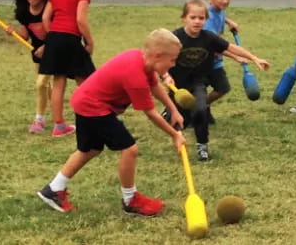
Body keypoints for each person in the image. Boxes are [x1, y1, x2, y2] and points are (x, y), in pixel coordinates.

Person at [37, 28, 186, 216]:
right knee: (130, 148)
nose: (173, 64)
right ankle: (130, 199)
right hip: (93, 106)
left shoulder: (140, 60)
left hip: (84, 101)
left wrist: (173, 109)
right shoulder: (136, 76)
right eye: (172, 60)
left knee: (89, 149)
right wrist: (175, 135)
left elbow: (155, 85)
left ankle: (53, 189)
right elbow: (150, 112)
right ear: (157, 56)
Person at [162, 0, 270, 161]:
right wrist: (165, 75)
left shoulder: (208, 38)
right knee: (179, 119)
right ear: (184, 18)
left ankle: (202, 146)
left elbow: (231, 47)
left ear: (206, 19)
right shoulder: (175, 38)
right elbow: (161, 58)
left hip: (198, 82)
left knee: (201, 110)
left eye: (201, 18)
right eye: (193, 17)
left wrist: (254, 58)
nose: (197, 21)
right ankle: (177, 137)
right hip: (177, 86)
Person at [40, 0, 96, 137]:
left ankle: (59, 125)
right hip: (70, 38)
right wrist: (89, 41)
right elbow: (81, 20)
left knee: (59, 81)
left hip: (55, 37)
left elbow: (45, 18)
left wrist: (53, 35)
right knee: (88, 81)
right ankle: (98, 117)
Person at [6, 0, 56, 134]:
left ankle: (39, 120)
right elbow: (25, 36)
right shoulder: (23, 12)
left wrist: (47, 46)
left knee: (41, 83)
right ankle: (58, 119)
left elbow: (58, 32)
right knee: (46, 86)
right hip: (37, 55)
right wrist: (13, 33)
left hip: (55, 51)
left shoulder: (51, 9)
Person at [202, 0, 247, 124]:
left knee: (222, 87)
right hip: (204, 60)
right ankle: (180, 110)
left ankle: (203, 105)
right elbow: (216, 45)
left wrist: (229, 21)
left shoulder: (218, 9)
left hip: (216, 60)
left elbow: (220, 13)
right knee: (195, 90)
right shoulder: (208, 18)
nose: (225, 1)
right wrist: (236, 57)